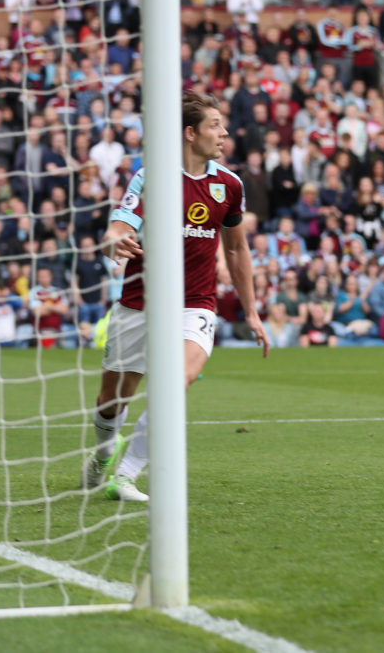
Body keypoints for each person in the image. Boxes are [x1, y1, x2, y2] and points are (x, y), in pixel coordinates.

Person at [84, 92, 270, 502]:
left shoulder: (229, 185)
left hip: (196, 303)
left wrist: (252, 313)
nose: (223, 133)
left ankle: (127, 476)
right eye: (214, 126)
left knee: (176, 382)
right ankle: (101, 457)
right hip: (140, 302)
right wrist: (114, 241)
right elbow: (118, 226)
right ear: (190, 133)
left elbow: (237, 250)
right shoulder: (152, 176)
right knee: (112, 401)